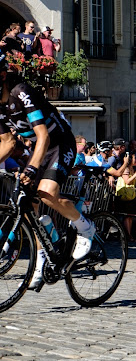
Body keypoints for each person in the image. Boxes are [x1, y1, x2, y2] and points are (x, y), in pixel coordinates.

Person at [0, 53, 95, 290]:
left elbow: (42, 135)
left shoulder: (21, 91)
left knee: (46, 192)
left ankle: (85, 227)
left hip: (59, 142)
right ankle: (42, 256)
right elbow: (8, 143)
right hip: (40, 149)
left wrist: (32, 167)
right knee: (27, 202)